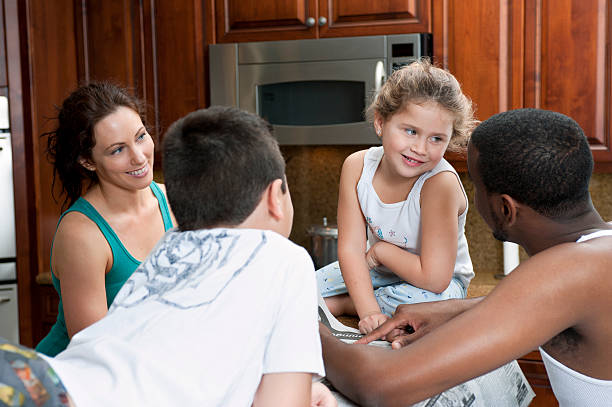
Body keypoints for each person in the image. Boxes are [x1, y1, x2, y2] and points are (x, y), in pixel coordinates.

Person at [0, 106, 336, 406]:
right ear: (275, 197)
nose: (137, 156)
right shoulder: (287, 259)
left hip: (40, 376)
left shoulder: (172, 246)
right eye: (118, 149)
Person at [320, 108, 612, 407]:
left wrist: (306, 327)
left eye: (474, 184)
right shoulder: (597, 253)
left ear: (505, 209)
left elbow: (379, 386)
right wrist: (454, 310)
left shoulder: (563, 273)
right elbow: (559, 303)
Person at [317, 59, 476, 334]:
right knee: (298, 288)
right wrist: (368, 312)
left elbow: (435, 279)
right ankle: (354, 302)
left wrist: (382, 250)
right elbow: (351, 250)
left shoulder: (439, 184)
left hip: (438, 284)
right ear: (380, 122)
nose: (420, 148)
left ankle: (344, 304)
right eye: (411, 131)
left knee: (427, 306)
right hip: (380, 271)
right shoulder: (357, 166)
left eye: (437, 138)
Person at [36, 82, 176, 357]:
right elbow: (94, 349)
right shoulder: (82, 234)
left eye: (140, 136)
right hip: (73, 384)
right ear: (87, 161)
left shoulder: (173, 202)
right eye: (117, 150)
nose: (139, 157)